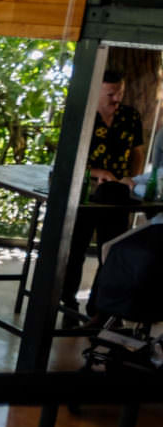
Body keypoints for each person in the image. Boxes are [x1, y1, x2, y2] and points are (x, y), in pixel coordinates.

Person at [63, 69, 147, 310]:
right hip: (83, 193)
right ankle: (67, 304)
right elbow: (66, 160)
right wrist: (97, 173)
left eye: (119, 93)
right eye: (111, 94)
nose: (116, 99)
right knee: (75, 250)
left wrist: (131, 177)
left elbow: (137, 151)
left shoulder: (130, 116)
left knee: (110, 253)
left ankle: (99, 307)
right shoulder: (81, 116)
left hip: (116, 195)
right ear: (96, 91)